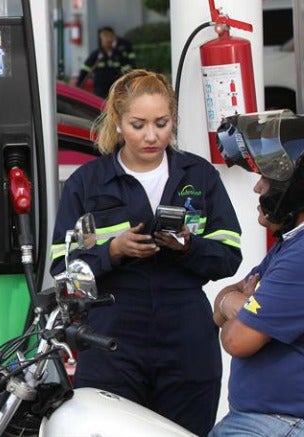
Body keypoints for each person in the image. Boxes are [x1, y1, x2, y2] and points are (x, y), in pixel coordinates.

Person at [50, 69, 242, 436]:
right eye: (138, 124)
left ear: (174, 121)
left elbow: (229, 254)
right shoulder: (87, 182)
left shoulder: (198, 176)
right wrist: (112, 252)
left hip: (186, 334)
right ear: (118, 123)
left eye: (162, 123)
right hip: (111, 335)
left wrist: (188, 246)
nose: (151, 136)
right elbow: (63, 268)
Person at [209, 113, 304, 437]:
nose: (257, 188)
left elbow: (236, 340)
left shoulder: (301, 256)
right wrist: (235, 304)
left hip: (278, 424)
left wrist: (235, 306)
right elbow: (223, 301)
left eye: (266, 179)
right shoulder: (290, 243)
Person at [75, 26, 135, 98]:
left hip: (116, 90)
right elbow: (85, 70)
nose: (108, 39)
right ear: (101, 38)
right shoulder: (96, 55)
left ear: (114, 38)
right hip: (99, 91)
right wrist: (78, 86)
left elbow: (129, 70)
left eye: (110, 36)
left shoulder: (119, 55)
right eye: (105, 36)